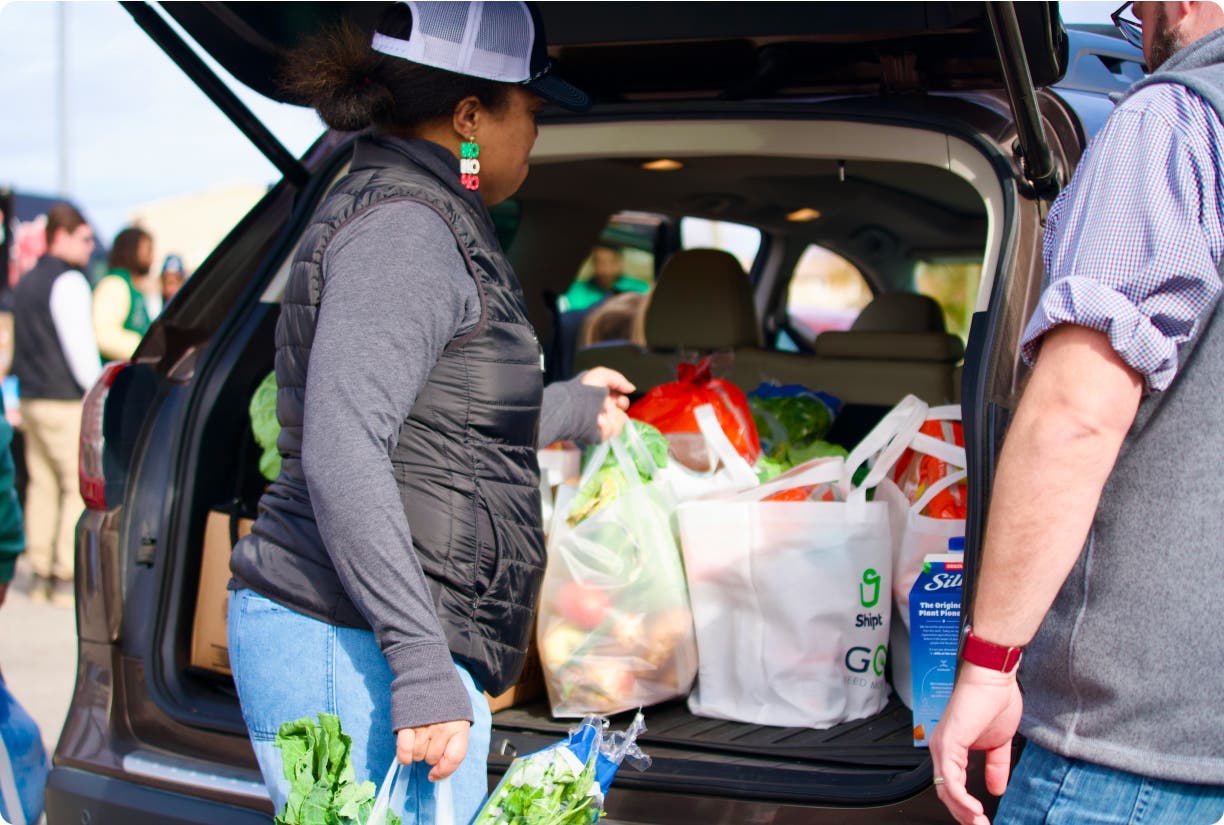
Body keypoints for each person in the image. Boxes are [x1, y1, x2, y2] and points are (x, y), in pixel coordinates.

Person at [225, 3, 632, 821]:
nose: (537, 134)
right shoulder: (407, 229)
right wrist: (418, 665)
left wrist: (576, 409)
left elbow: (443, 416)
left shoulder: (429, 212)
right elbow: (344, 443)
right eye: (533, 111)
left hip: (374, 641)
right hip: (352, 644)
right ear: (472, 116)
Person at [930, 3, 1224, 824]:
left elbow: (1076, 415)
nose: (1140, 23)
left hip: (1136, 762)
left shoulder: (1171, 120)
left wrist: (988, 664)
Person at [10, 203, 103, 605]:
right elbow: (80, 349)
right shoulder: (69, 282)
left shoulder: (28, 280)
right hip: (63, 398)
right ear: (60, 236)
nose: (91, 245)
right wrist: (97, 387)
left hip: (30, 396)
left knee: (41, 485)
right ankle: (65, 576)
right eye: (84, 238)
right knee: (71, 486)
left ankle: (39, 572)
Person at [92, 226, 153, 361]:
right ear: (131, 250)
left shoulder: (133, 287)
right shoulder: (114, 284)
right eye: (147, 249)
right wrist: (147, 349)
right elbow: (104, 336)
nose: (151, 256)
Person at [558, 243, 650, 312]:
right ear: (593, 263)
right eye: (600, 262)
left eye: (612, 262)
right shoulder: (574, 291)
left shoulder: (641, 289)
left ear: (621, 262)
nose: (606, 269)